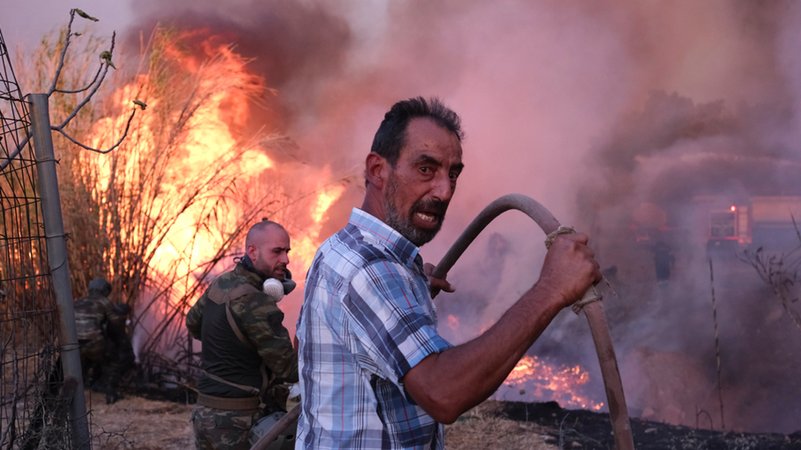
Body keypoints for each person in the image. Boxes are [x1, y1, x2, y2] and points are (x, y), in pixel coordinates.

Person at [295, 97, 601, 449]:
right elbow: (444, 393)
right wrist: (550, 290)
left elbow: (306, 344)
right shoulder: (371, 270)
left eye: (452, 174)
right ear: (378, 170)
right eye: (426, 169)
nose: (444, 191)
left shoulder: (340, 248)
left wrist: (410, 286)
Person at [186, 219, 299, 450]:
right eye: (277, 252)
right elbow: (290, 369)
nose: (285, 260)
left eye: (287, 252)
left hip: (204, 415)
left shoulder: (222, 283)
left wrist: (231, 347)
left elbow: (193, 324)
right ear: (252, 251)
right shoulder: (256, 301)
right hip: (239, 422)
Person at [74, 277, 130, 404]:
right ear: (104, 290)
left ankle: (81, 393)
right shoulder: (104, 302)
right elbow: (115, 323)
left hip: (74, 344)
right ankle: (111, 393)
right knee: (114, 360)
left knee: (83, 364)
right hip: (93, 342)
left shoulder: (78, 302)